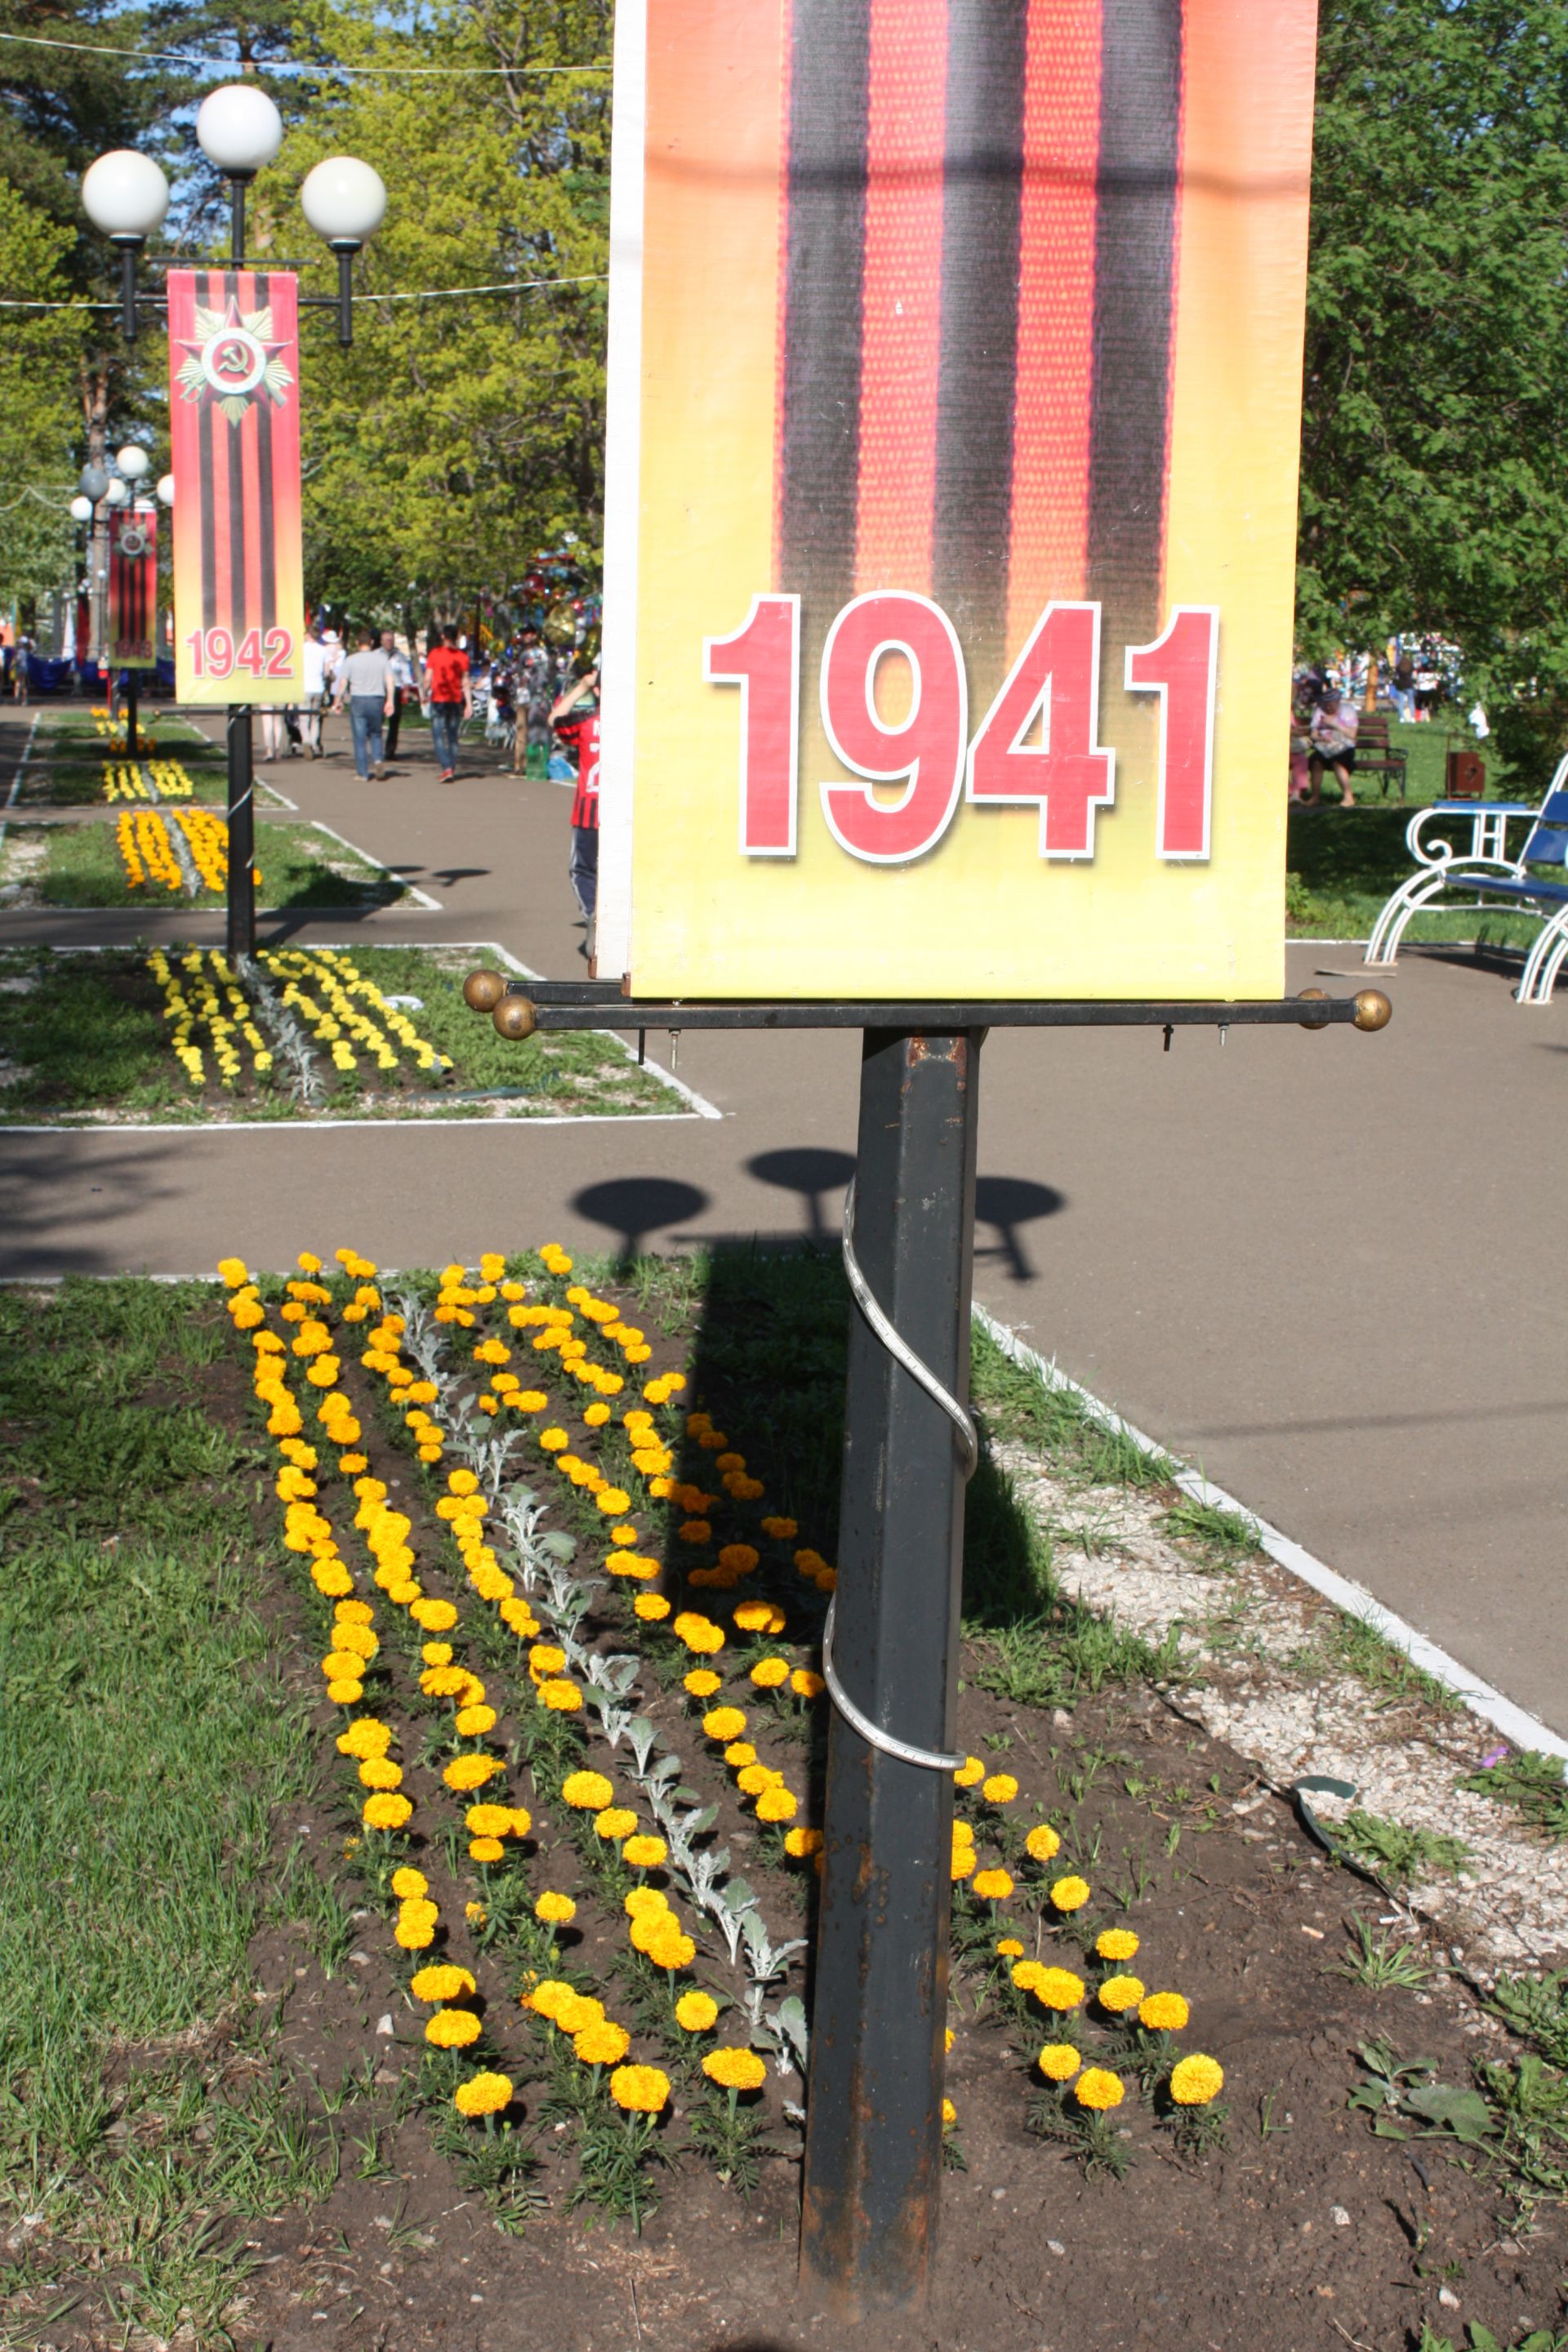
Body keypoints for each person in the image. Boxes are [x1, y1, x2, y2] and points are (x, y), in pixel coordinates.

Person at [551, 666, 600, 956]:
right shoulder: (633, 722)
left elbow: (554, 720)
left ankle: (592, 913)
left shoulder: (586, 721)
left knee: (582, 869)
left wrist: (581, 687)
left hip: (588, 811)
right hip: (622, 816)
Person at [332, 626, 395, 780]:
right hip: (377, 699)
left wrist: (337, 700)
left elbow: (343, 683)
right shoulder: (382, 659)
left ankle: (363, 773)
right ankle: (378, 759)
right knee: (376, 734)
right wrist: (390, 701)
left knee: (360, 738)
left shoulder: (350, 660)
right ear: (372, 642)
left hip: (358, 699)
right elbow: (390, 680)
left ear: (357, 643)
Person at [422, 624, 470, 782]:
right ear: (457, 637)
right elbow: (466, 681)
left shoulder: (434, 654)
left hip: (439, 699)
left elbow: (428, 677)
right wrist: (468, 703)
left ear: (443, 636)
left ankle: (446, 767)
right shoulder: (463, 657)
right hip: (455, 700)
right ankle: (451, 767)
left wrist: (424, 692)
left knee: (438, 736)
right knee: (452, 737)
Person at [1307, 679, 1358, 807]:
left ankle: (1348, 797)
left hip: (1344, 747)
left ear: (1337, 702)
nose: (1328, 707)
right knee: (1316, 762)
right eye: (1326, 704)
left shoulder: (1348, 710)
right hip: (1325, 747)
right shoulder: (1320, 712)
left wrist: (1334, 725)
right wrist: (1320, 738)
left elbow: (1352, 735)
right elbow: (1313, 734)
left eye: (1331, 704)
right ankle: (1315, 797)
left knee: (1338, 763)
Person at [381, 630, 414, 761]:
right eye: (386, 640)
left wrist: (406, 688)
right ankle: (377, 748)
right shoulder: (376, 655)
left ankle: (390, 751)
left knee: (394, 722)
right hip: (379, 689)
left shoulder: (400, 656)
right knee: (377, 720)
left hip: (395, 690)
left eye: (391, 640)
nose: (389, 642)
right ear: (381, 641)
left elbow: (406, 675)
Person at [301, 626, 328, 756]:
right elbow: (327, 671)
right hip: (318, 687)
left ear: (308, 635)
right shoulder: (323, 650)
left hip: (305, 687)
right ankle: (313, 743)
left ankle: (306, 741)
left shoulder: (302, 648)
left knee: (303, 718)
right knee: (315, 719)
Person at [1389, 652, 1416, 724]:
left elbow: (1395, 673)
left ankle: (1401, 718)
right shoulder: (1410, 666)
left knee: (1401, 702)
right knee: (1411, 702)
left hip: (1400, 685)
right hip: (1409, 685)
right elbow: (1413, 673)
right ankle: (1413, 718)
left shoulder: (1399, 667)